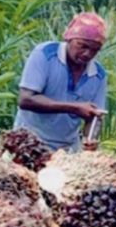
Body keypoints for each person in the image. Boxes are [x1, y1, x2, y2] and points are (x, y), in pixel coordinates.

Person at [14, 12, 109, 151]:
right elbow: (26, 100)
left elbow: (95, 116)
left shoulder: (99, 75)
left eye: (95, 50)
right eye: (82, 46)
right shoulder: (45, 54)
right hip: (28, 144)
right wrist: (74, 108)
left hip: (65, 151)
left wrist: (90, 139)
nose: (87, 54)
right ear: (69, 39)